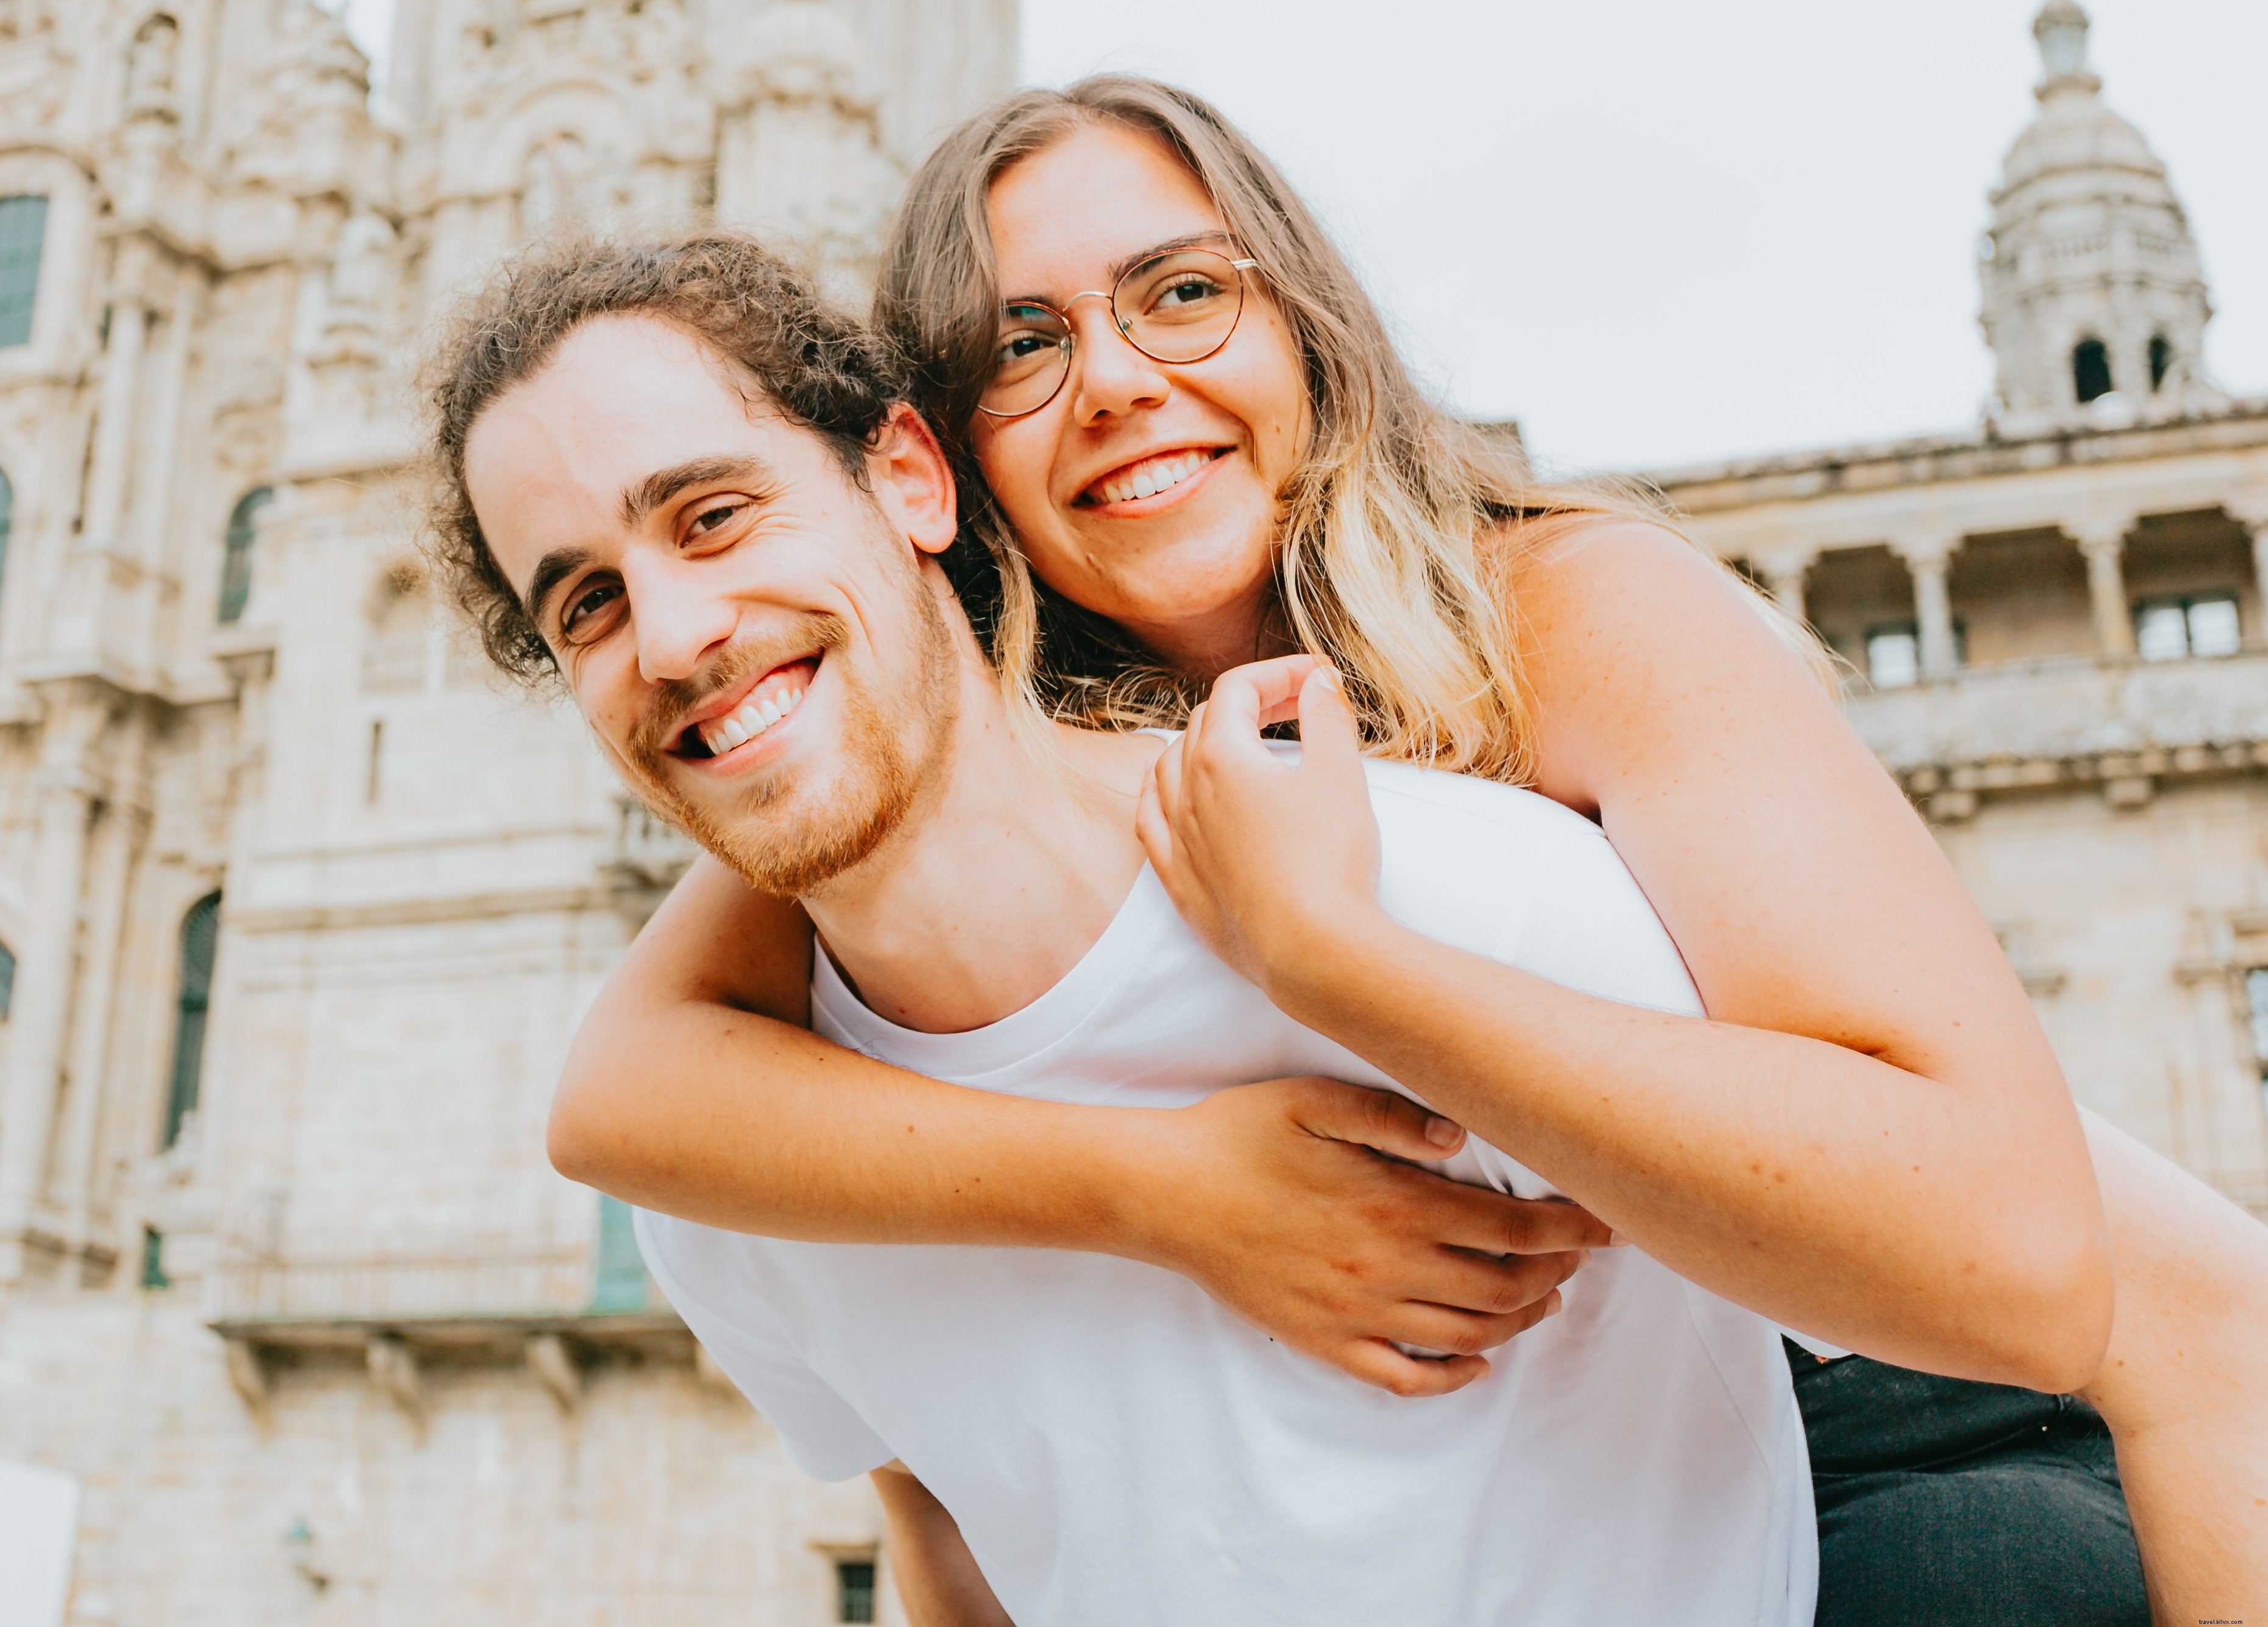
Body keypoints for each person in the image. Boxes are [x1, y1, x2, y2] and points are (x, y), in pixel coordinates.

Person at [546, 78, 2268, 1622]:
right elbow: (620, 1098)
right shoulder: (990, 774)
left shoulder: (1563, 620)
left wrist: (1332, 957)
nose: (1122, 382)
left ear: (1305, 325)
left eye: (1184, 292)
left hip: (1870, 1394)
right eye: (1025, 345)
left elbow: (2123, 1287)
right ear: (935, 464)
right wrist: (1177, 1196)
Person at [426, 230, 1824, 1623]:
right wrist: (1159, 1191)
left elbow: (1968, 1297)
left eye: (715, 515)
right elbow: (950, 1538)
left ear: (909, 479)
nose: (669, 637)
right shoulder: (733, 1207)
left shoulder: (1456, 898)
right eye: (587, 604)